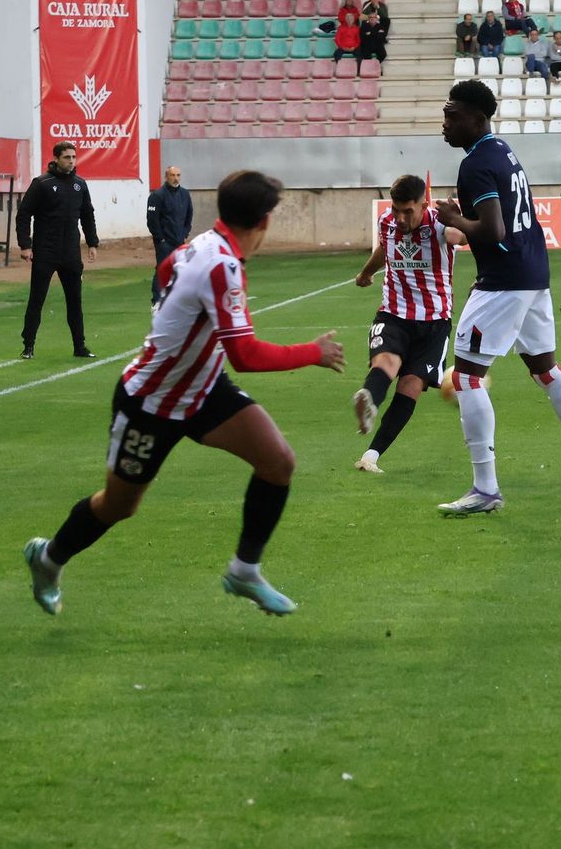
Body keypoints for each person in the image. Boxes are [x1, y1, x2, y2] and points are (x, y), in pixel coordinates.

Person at [20, 170, 346, 620]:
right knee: (119, 505)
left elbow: (166, 268)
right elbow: (246, 355)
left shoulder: (206, 243)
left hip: (203, 389)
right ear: (265, 221)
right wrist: (313, 352)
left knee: (278, 462)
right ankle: (48, 558)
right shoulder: (223, 265)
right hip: (150, 402)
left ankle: (244, 570)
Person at [431, 81, 561, 518]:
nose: (445, 122)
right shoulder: (502, 151)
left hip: (504, 279)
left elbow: (493, 230)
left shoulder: (475, 164)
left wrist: (455, 217)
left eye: (452, 114)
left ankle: (485, 488)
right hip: (533, 273)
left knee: (468, 376)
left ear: (476, 119)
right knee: (546, 370)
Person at [351, 174, 465, 474]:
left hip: (434, 322)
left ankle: (371, 456)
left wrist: (464, 221)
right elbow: (384, 250)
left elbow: (464, 236)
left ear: (423, 204)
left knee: (410, 386)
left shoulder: (440, 226)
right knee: (385, 363)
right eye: (397, 209)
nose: (401, 218)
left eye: (408, 211)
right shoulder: (388, 222)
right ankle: (369, 400)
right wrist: (366, 273)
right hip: (393, 313)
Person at [17, 141, 99, 360]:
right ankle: (28, 345)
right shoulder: (42, 184)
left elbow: (87, 215)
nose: (71, 161)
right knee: (37, 299)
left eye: (74, 157)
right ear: (56, 159)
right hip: (45, 251)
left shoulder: (80, 184)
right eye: (67, 157)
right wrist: (25, 245)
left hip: (71, 253)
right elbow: (24, 214)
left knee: (75, 300)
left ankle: (79, 346)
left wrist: (92, 243)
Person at [147, 165, 193, 306]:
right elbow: (152, 220)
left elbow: (188, 216)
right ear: (166, 176)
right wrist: (160, 238)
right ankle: (157, 301)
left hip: (179, 240)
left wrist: (185, 233)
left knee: (180, 269)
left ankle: (175, 299)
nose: (175, 178)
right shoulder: (157, 195)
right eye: (172, 175)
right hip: (164, 242)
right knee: (162, 269)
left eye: (178, 175)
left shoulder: (185, 194)